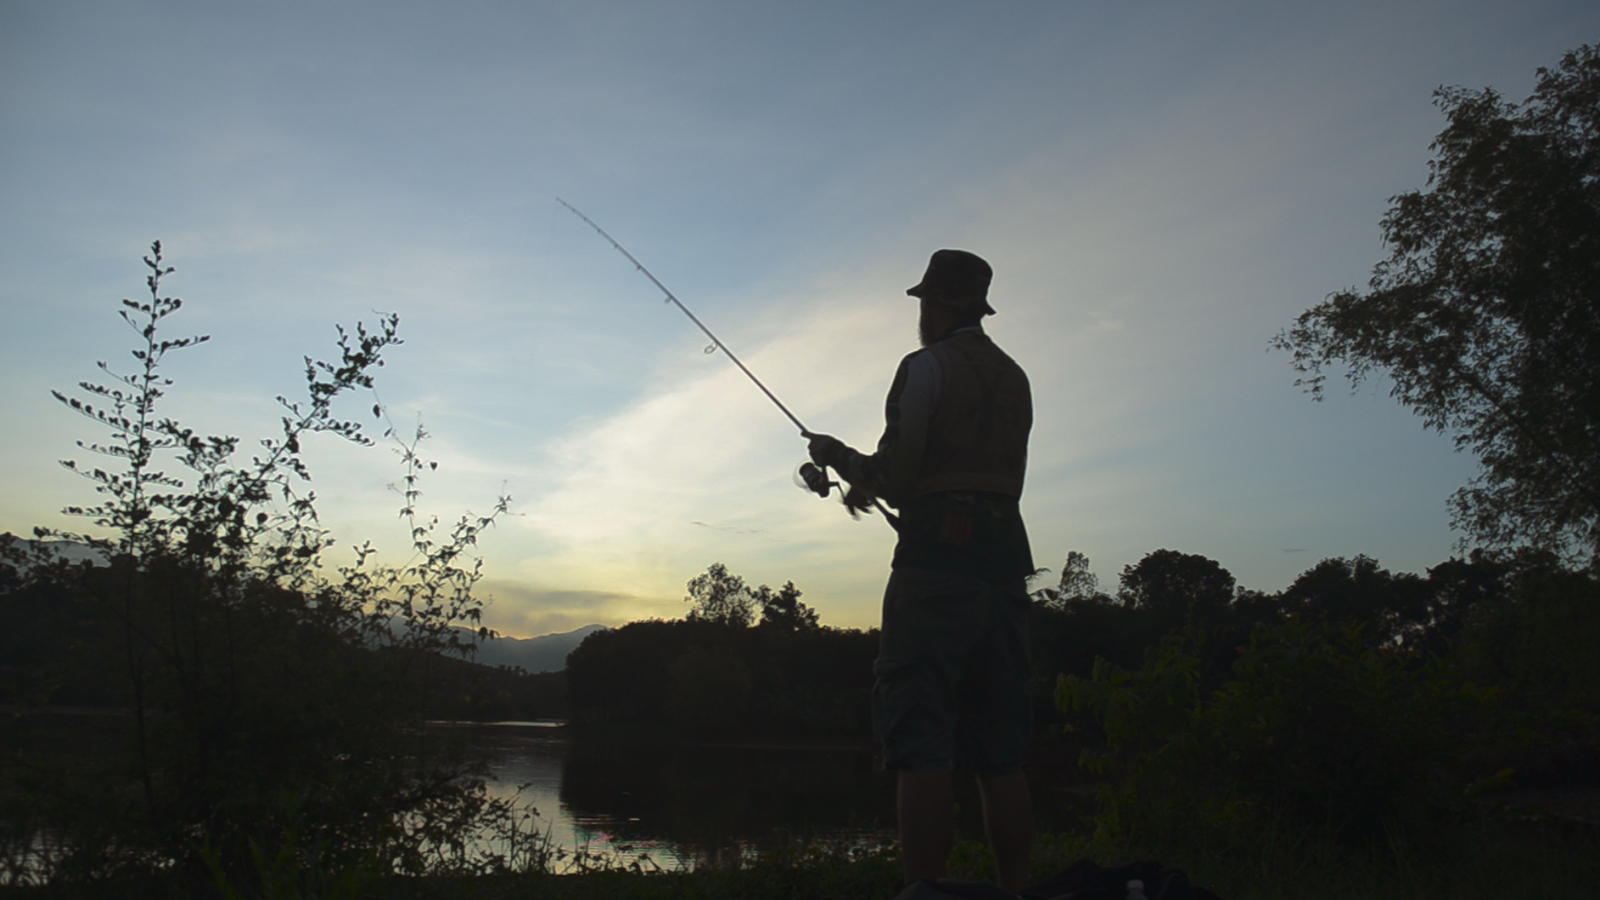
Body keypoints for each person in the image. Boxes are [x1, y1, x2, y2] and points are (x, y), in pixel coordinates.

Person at [807, 249, 1035, 895]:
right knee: (1002, 750)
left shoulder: (925, 367)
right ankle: (1016, 890)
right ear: (978, 306)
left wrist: (838, 458)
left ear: (933, 306)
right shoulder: (1016, 377)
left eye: (923, 304)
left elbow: (898, 477)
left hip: (937, 561)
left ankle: (925, 890)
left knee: (920, 738)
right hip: (1006, 563)